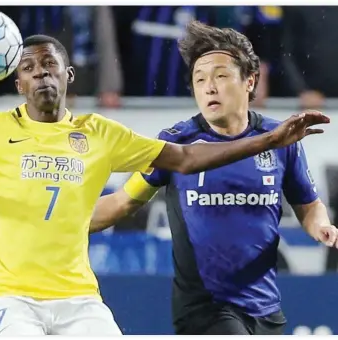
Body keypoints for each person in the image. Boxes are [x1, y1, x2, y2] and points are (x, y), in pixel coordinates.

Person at [0, 33, 328, 336]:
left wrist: (270, 139)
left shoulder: (99, 134)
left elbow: (184, 158)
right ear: (18, 84)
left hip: (79, 299)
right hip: (12, 297)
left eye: (49, 65)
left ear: (68, 74)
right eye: (28, 68)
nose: (41, 74)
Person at [90, 21, 337, 335]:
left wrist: (321, 227)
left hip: (265, 309)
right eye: (200, 79)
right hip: (204, 309)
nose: (209, 87)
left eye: (221, 76)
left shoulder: (280, 139)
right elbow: (123, 201)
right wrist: (61, 222)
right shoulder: (175, 144)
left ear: (250, 80)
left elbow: (308, 204)